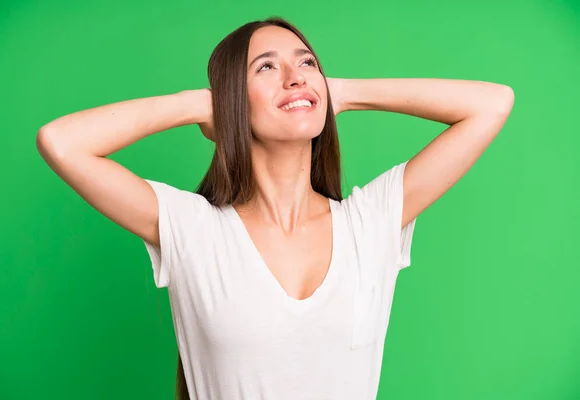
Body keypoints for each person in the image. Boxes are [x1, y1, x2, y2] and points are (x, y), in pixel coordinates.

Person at [36, 16, 514, 400]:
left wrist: (341, 92)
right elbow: (61, 142)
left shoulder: (371, 221)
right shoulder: (193, 229)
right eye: (266, 67)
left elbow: (493, 104)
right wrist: (197, 105)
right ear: (231, 100)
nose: (295, 77)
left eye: (306, 63)